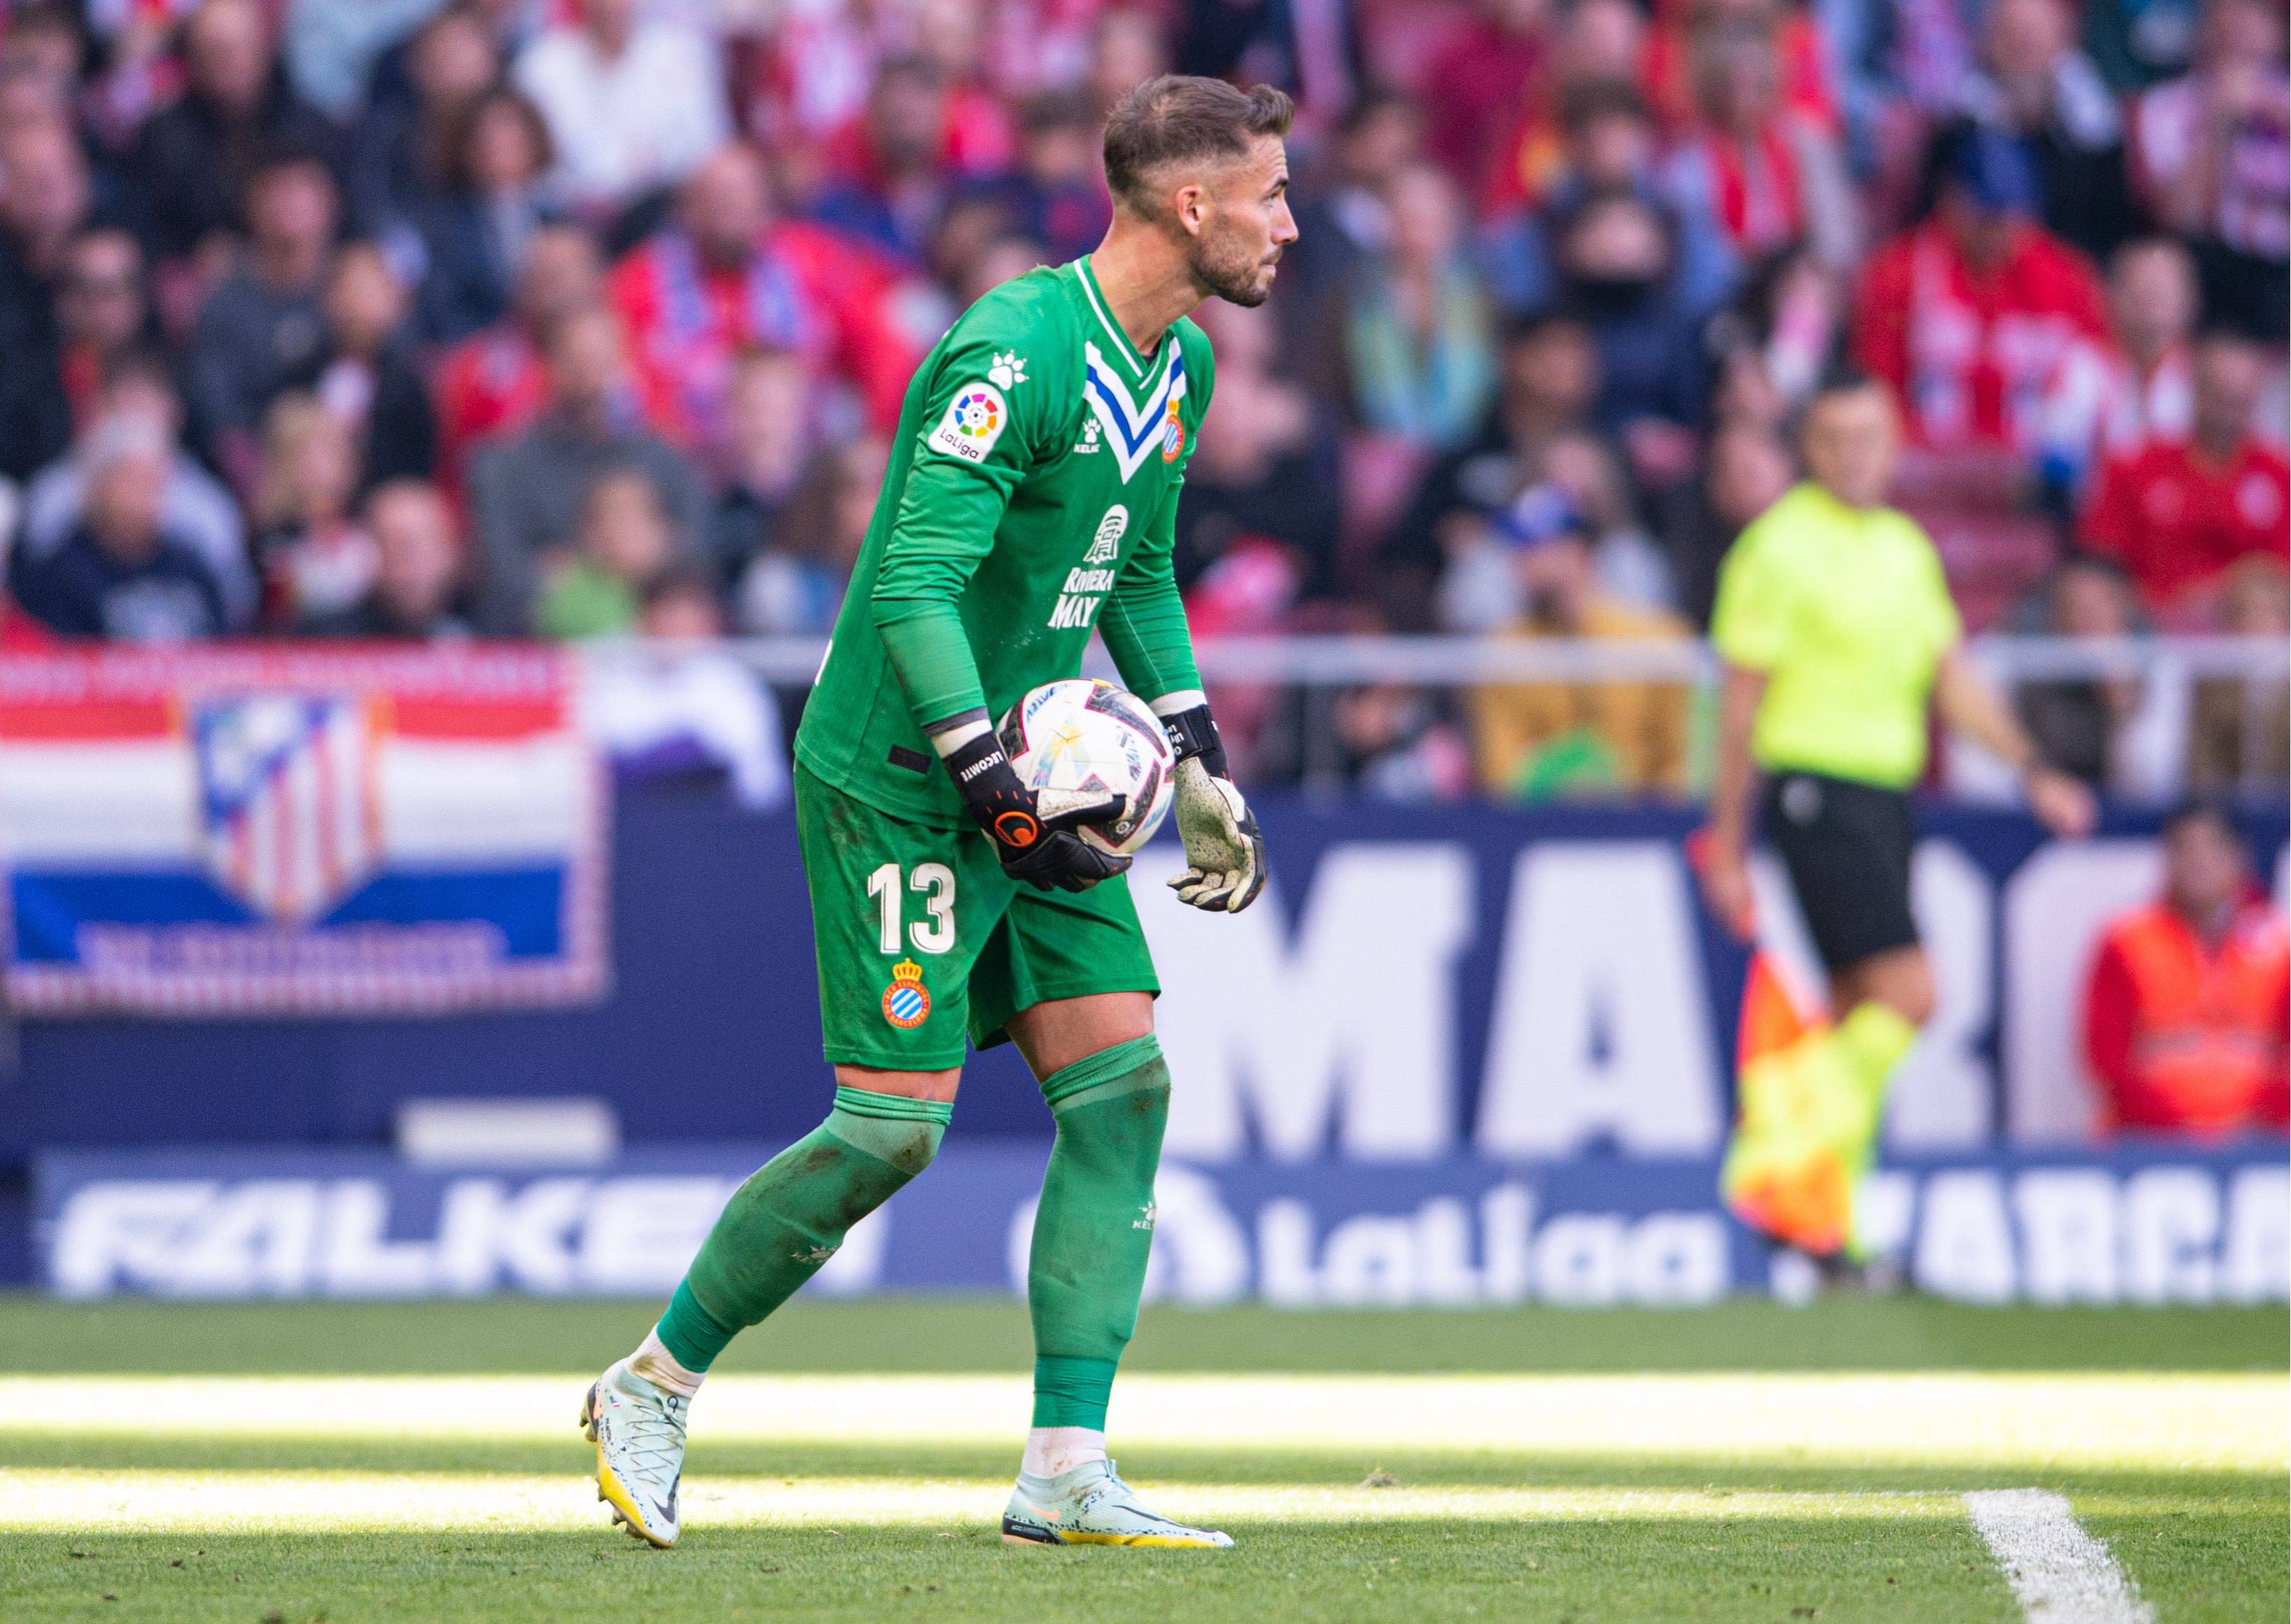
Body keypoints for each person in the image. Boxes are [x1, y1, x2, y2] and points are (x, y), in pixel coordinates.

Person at [581, 72, 1292, 1555]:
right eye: (1268, 196)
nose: (1286, 224)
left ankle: (1063, 1464)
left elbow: (1137, 572)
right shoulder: (1011, 353)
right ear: (1190, 203)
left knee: (1126, 1087)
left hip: (1039, 764)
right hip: (906, 776)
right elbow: (907, 586)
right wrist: (987, 786)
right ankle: (650, 1381)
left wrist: (1197, 752)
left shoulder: (1178, 369)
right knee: (891, 1131)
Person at [1697, 369, 2096, 1257]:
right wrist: (1725, 842)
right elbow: (1737, 706)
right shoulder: (1777, 547)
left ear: (1895, 445)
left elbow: (1949, 678)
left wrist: (2031, 768)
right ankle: (1775, 1145)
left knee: (1855, 1013)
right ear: (1809, 448)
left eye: (1868, 437)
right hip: (1816, 788)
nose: (1852, 455)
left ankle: (1832, 1223)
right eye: (1835, 438)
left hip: (1885, 795)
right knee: (1913, 994)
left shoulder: (1903, 548)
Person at [2082, 800, 2288, 1135]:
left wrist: (2252, 1125)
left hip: (2257, 1146)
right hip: (2147, 1143)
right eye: (2185, 850)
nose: (2199, 863)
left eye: (2213, 849)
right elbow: (2106, 1062)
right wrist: (2180, 1130)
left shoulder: (2280, 945)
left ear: (2240, 858)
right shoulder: (2127, 941)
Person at [2082, 329, 2290, 616]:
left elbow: (2282, 572)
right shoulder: (2136, 467)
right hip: (2150, 627)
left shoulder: (2279, 474)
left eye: (2240, 399)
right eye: (2220, 395)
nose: (2229, 411)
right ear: (2195, 390)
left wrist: (2225, 595)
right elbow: (2101, 563)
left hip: (2249, 630)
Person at [10, 414, 232, 641]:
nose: (145, 497)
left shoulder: (191, 567)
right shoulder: (61, 572)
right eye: (133, 482)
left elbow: (227, 647)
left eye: (154, 483)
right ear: (98, 485)